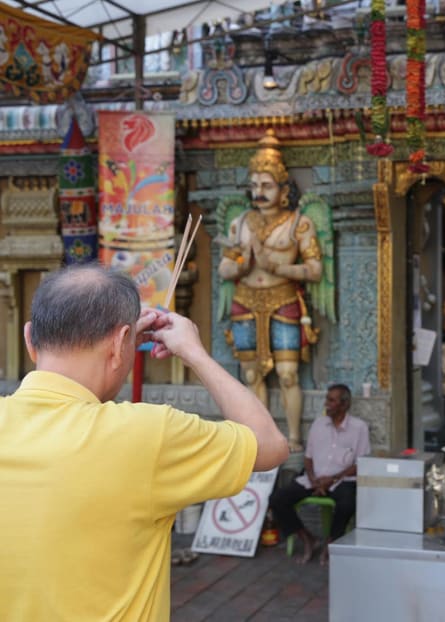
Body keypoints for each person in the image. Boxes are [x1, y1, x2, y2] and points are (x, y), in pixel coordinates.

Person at [0, 265, 289, 620]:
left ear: (29, 339)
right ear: (124, 342)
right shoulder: (145, 435)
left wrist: (116, 346)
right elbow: (270, 445)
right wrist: (194, 353)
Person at [217, 130, 323, 452]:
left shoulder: (298, 224)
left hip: (284, 298)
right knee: (251, 375)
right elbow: (224, 269)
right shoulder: (240, 223)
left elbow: (315, 270)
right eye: (254, 186)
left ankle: (293, 438)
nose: (259, 192)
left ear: (282, 188)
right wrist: (244, 265)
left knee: (288, 373)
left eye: (266, 185)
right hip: (245, 299)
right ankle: (259, 439)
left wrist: (277, 267)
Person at [269, 384, 370, 565]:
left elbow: (360, 464)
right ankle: (308, 538)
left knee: (347, 503)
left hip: (342, 480)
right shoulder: (318, 424)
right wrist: (314, 479)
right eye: (327, 399)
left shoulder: (359, 428)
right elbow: (308, 458)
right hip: (314, 479)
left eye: (332, 400)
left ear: (345, 404)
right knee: (278, 499)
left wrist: (332, 479)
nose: (327, 404)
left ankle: (330, 544)